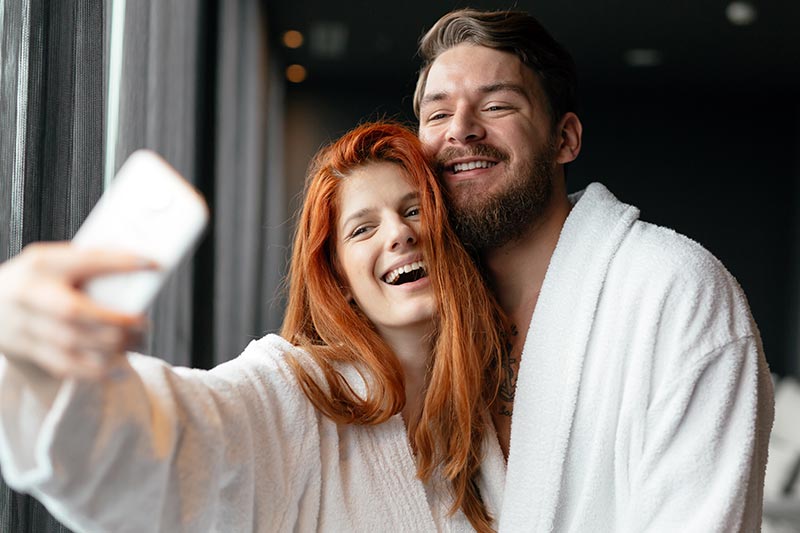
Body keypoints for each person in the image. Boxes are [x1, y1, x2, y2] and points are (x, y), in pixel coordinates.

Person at [0, 122, 509, 532]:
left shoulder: (487, 415)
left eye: (413, 210)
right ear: (339, 278)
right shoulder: (294, 392)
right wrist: (39, 372)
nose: (399, 233)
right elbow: (177, 447)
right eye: (363, 228)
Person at [413, 8, 774, 532]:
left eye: (496, 105)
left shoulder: (674, 290)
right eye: (438, 114)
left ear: (565, 139)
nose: (461, 129)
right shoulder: (420, 317)